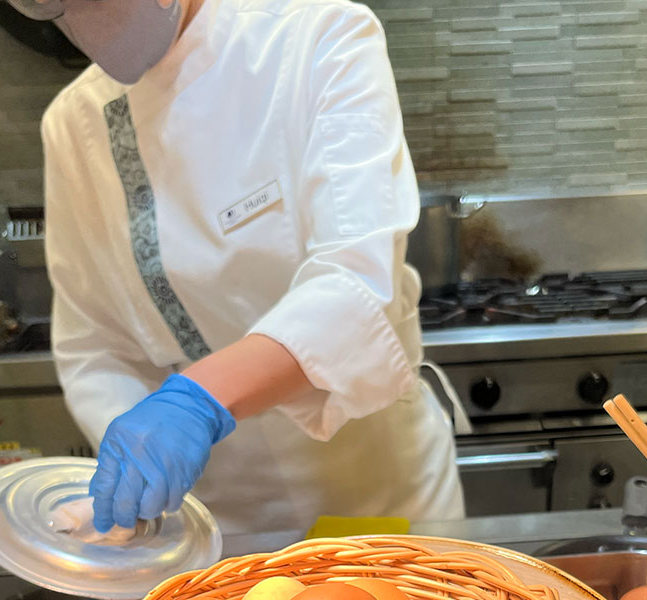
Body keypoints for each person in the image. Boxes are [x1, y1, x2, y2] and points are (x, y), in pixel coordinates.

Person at [27, 0, 464, 535]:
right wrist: (136, 475)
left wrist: (197, 399)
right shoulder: (73, 123)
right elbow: (94, 346)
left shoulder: (317, 37)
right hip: (209, 506)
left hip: (367, 486)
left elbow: (355, 283)